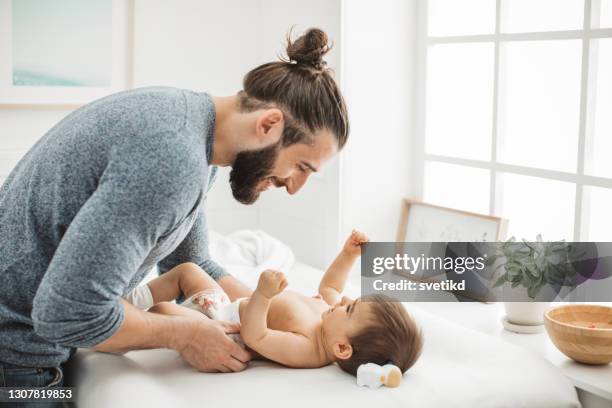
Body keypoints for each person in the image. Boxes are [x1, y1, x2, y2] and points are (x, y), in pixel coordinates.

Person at [0, 27, 349, 396]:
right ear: (268, 125)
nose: (294, 187)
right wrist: (184, 335)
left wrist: (272, 310)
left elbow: (193, 261)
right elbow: (67, 314)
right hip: (17, 362)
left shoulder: (192, 130)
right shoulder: (171, 159)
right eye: (301, 167)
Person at [136, 231, 423, 375]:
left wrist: (262, 294)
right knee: (188, 271)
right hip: (224, 307)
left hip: (219, 331)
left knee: (164, 311)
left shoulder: (310, 348)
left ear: (342, 348)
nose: (345, 299)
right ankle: (131, 300)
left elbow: (255, 335)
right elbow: (331, 286)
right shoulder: (330, 315)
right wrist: (348, 255)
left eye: (351, 308)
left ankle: (130, 316)